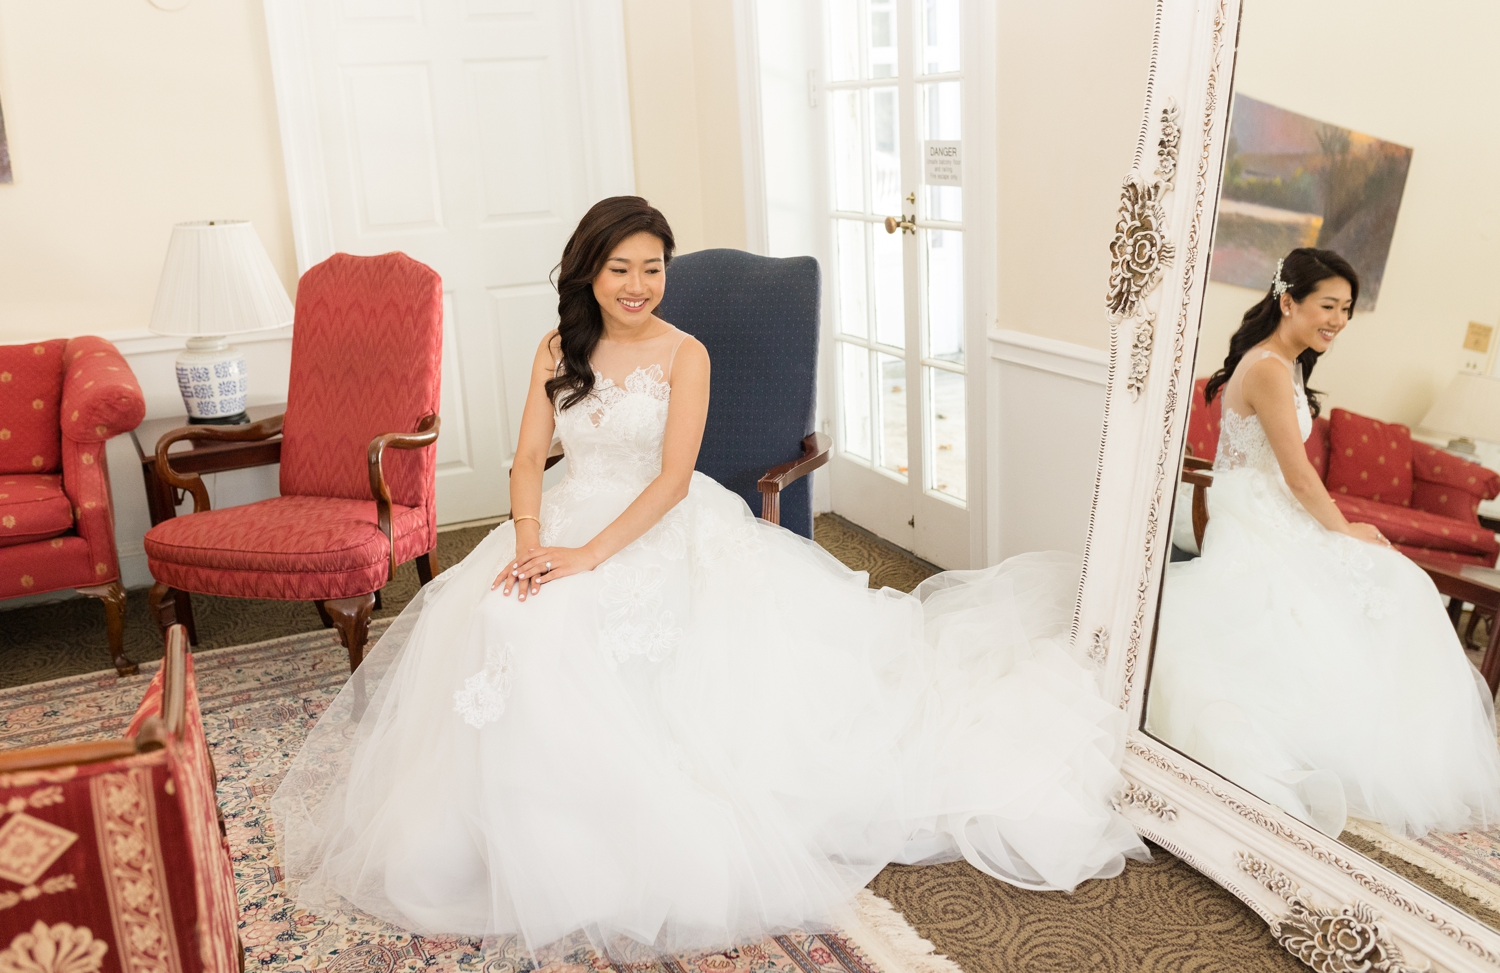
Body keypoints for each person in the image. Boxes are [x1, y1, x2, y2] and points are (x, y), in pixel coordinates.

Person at [271, 196, 1147, 962]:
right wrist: (530, 542)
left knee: (566, 627)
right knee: (500, 616)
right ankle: (516, 830)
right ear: (588, 272)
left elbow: (668, 479)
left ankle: (601, 833)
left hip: (657, 526)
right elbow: (530, 457)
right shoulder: (556, 345)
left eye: (653, 268)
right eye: (621, 268)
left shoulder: (683, 352)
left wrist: (584, 557)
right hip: (563, 520)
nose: (638, 285)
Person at [1149, 247, 1500, 840]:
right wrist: (1343, 529)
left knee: (1390, 583)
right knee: (1393, 581)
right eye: (1327, 305)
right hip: (1254, 513)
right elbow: (1296, 472)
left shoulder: (1287, 362)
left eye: (1347, 309)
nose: (1337, 320)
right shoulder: (1266, 367)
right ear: (1289, 301)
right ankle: (1377, 741)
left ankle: (1388, 733)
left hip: (1268, 506)